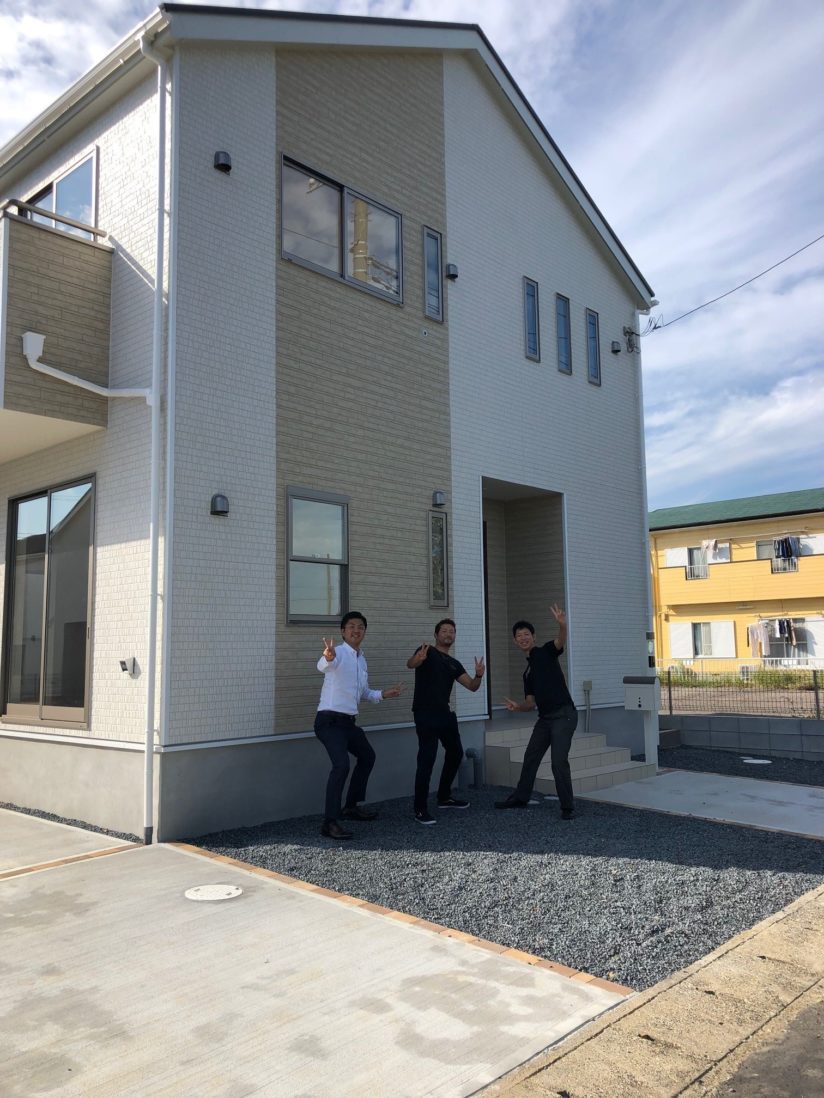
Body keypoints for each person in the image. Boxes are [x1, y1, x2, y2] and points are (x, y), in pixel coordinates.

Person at [314, 611, 403, 840]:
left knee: (367, 756)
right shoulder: (338, 653)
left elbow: (364, 692)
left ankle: (351, 807)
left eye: (361, 627)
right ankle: (330, 822)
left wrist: (383, 694)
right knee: (341, 765)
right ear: (343, 631)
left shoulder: (361, 659)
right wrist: (328, 657)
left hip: (348, 723)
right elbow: (323, 665)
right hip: (329, 721)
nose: (356, 630)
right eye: (351, 626)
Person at [495, 604, 578, 820]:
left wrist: (562, 625)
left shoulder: (546, 651)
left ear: (534, 637)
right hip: (545, 718)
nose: (523, 638)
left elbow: (560, 641)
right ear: (515, 641)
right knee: (531, 755)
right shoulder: (527, 673)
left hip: (564, 715)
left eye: (526, 634)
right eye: (519, 636)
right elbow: (530, 703)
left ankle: (567, 806)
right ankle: (520, 797)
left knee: (558, 761)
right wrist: (518, 707)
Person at [406, 619, 485, 825]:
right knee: (427, 758)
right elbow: (410, 664)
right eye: (444, 631)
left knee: (456, 752)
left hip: (444, 714)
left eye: (452, 631)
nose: (448, 634)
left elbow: (472, 686)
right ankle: (420, 809)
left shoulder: (454, 663)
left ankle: (444, 797)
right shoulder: (427, 651)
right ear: (436, 634)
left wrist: (478, 675)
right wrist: (418, 658)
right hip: (425, 713)